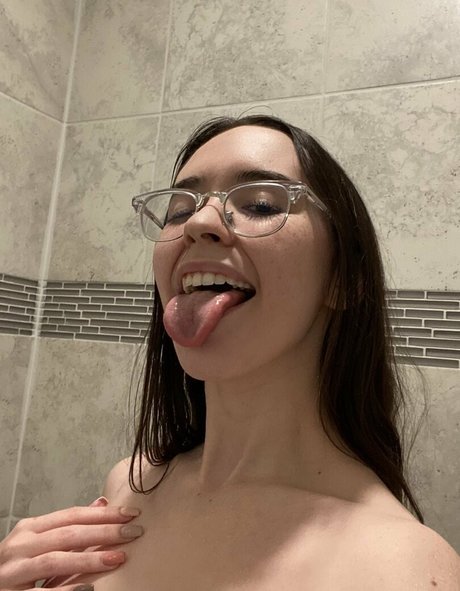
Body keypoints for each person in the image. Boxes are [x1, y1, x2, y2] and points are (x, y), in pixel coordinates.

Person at [1, 114, 458, 590]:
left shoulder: (401, 569)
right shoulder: (127, 488)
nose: (199, 222)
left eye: (260, 204)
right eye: (179, 210)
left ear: (345, 277)